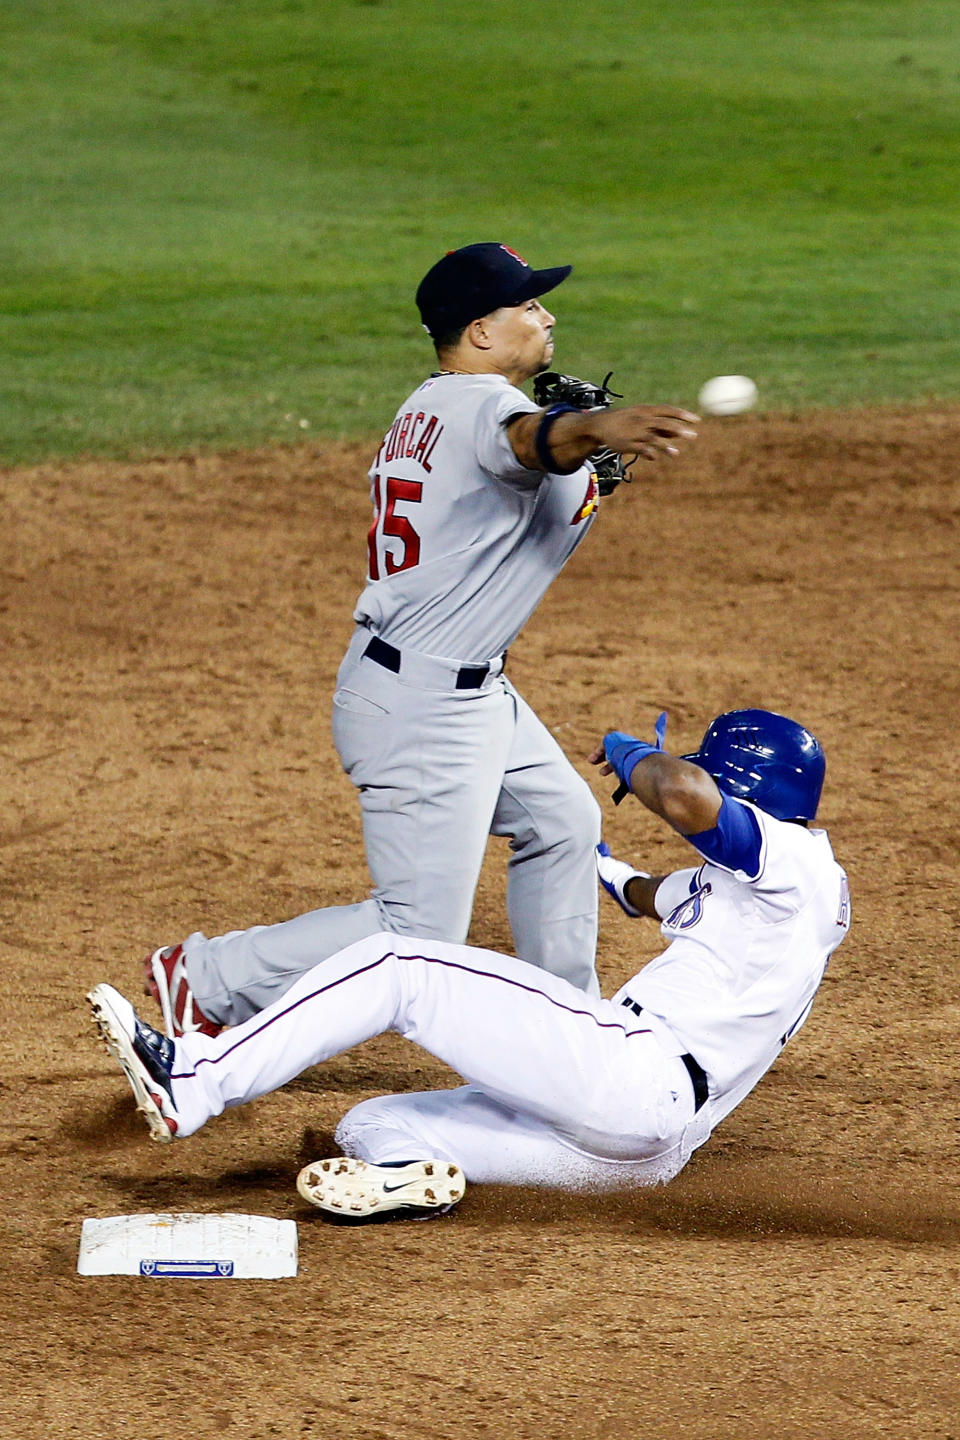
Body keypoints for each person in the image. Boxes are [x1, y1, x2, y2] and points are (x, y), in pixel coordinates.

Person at [144, 242, 698, 1037]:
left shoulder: (435, 408)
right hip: (421, 703)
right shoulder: (480, 409)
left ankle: (569, 1034)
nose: (548, 317)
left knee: (562, 823)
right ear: (479, 331)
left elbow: (521, 483)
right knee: (417, 932)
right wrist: (596, 427)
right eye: (529, 306)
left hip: (466, 693)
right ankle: (206, 980)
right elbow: (528, 443)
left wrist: (583, 465)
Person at [90, 706, 850, 1222]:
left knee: (400, 966)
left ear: (749, 790)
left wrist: (636, 756)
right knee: (371, 1124)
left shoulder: (793, 862)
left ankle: (194, 1079)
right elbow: (655, 894)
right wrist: (601, 866)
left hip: (633, 1073)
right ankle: (409, 1184)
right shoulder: (769, 899)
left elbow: (684, 796)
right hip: (640, 1154)